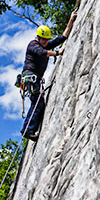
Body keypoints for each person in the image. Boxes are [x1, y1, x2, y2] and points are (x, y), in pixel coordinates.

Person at [21, 12, 77, 141]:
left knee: (39, 104)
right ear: (38, 37)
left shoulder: (44, 44)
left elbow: (61, 38)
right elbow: (41, 53)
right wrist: (57, 53)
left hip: (35, 79)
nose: (46, 42)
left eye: (47, 40)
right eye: (44, 40)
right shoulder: (33, 45)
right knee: (38, 104)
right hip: (31, 78)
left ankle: (30, 129)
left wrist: (71, 20)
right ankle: (27, 130)